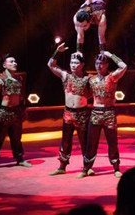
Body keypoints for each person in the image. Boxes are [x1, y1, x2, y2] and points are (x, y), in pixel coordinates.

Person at [80, 51, 128, 178]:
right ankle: (86, 168)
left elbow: (123, 66)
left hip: (109, 112)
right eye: (96, 63)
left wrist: (110, 54)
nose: (98, 66)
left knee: (112, 142)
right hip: (95, 112)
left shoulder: (112, 77)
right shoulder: (91, 79)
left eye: (101, 63)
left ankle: (116, 168)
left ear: (107, 65)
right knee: (91, 142)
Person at [48, 43, 92, 176]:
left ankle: (87, 167)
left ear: (82, 64)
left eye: (76, 63)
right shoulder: (65, 75)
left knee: (84, 142)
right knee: (65, 141)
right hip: (68, 113)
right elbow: (50, 65)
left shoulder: (88, 78)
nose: (73, 65)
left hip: (82, 113)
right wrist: (57, 51)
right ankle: (62, 166)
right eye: (71, 62)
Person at [0, 55, 32, 170]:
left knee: (16, 137)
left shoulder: (19, 79)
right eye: (11, 61)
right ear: (4, 65)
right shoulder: (0, 80)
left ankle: (19, 159)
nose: (14, 63)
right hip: (4, 112)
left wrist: (23, 110)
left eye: (15, 61)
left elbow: (21, 96)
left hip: (16, 112)